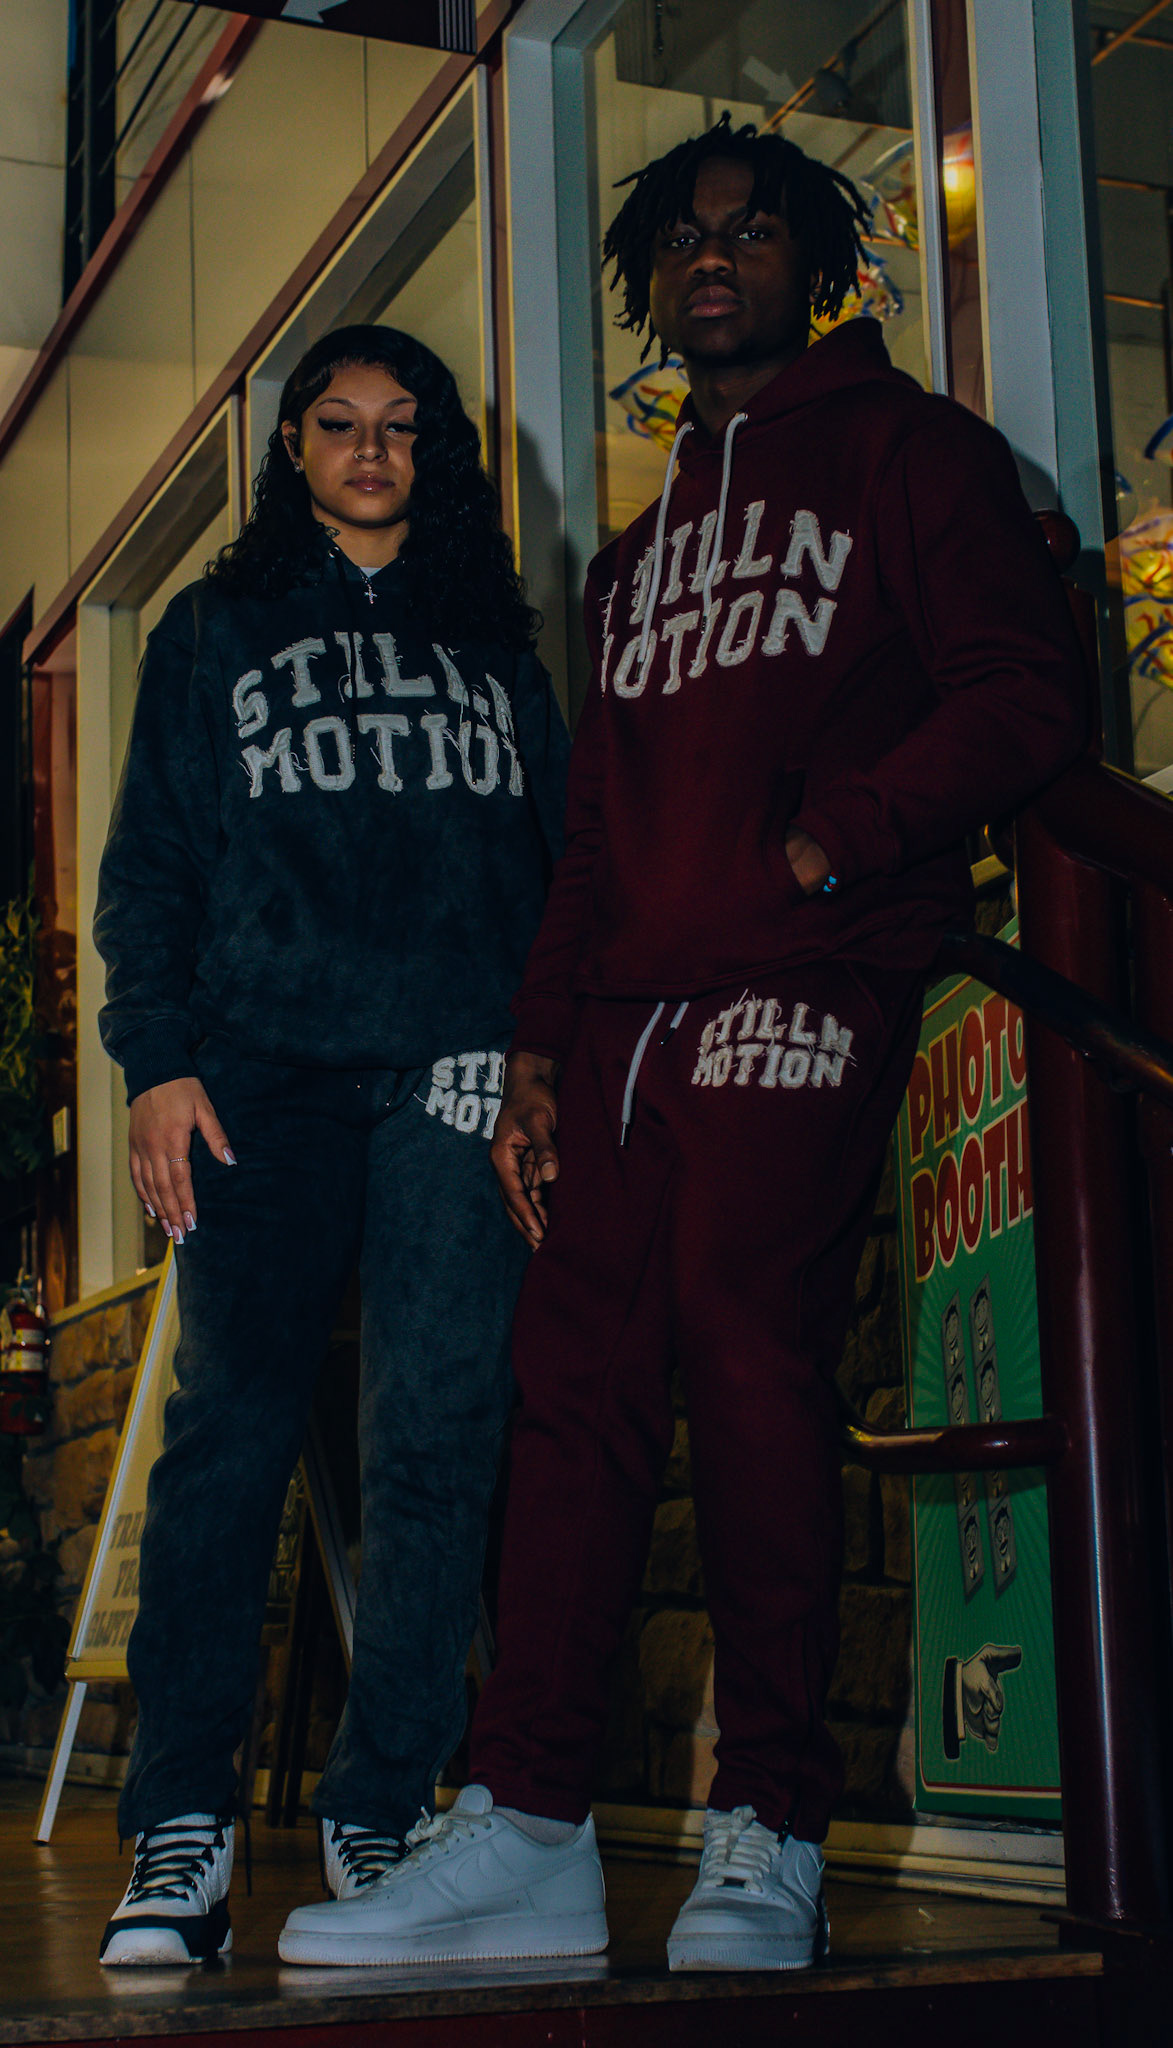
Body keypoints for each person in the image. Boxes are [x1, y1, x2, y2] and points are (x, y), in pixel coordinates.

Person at [277, 116, 1086, 1973]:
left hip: (804, 976)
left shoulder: (912, 455)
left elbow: (1022, 688)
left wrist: (840, 835)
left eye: (753, 231)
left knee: (739, 1339)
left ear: (817, 266)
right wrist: (538, 1049)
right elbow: (593, 830)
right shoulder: (634, 561)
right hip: (623, 1021)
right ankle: (531, 1828)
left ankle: (773, 1822)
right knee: (568, 1389)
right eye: (684, 238)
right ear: (652, 281)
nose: (712, 257)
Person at [93, 323, 567, 1965]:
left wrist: (539, 1062)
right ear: (291, 448)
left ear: (438, 454)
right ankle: (181, 1828)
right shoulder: (209, 630)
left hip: (454, 1070)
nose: (371, 449)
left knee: (434, 1439)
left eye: (401, 425)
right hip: (258, 1077)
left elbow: (555, 867)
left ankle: (384, 1806)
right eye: (338, 422)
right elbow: (150, 869)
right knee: (227, 1439)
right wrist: (157, 1064)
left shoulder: (494, 642)